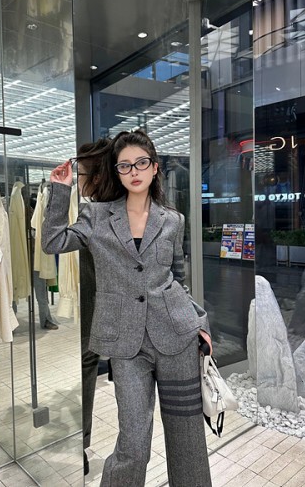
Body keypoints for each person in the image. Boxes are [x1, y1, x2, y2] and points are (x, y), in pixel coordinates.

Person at [42, 129, 213, 486]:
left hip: (177, 338)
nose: (134, 171)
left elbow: (177, 279)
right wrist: (60, 190)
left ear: (155, 168)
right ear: (117, 172)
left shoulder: (173, 219)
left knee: (187, 439)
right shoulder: (96, 215)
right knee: (133, 442)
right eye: (125, 166)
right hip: (125, 343)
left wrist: (199, 323)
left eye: (141, 163)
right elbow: (53, 241)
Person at [75, 138, 112, 475]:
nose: (78, 180)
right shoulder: (108, 210)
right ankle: (82, 444)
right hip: (101, 308)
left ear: (97, 177)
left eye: (81, 173)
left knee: (89, 365)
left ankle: (82, 445)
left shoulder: (95, 215)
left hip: (102, 311)